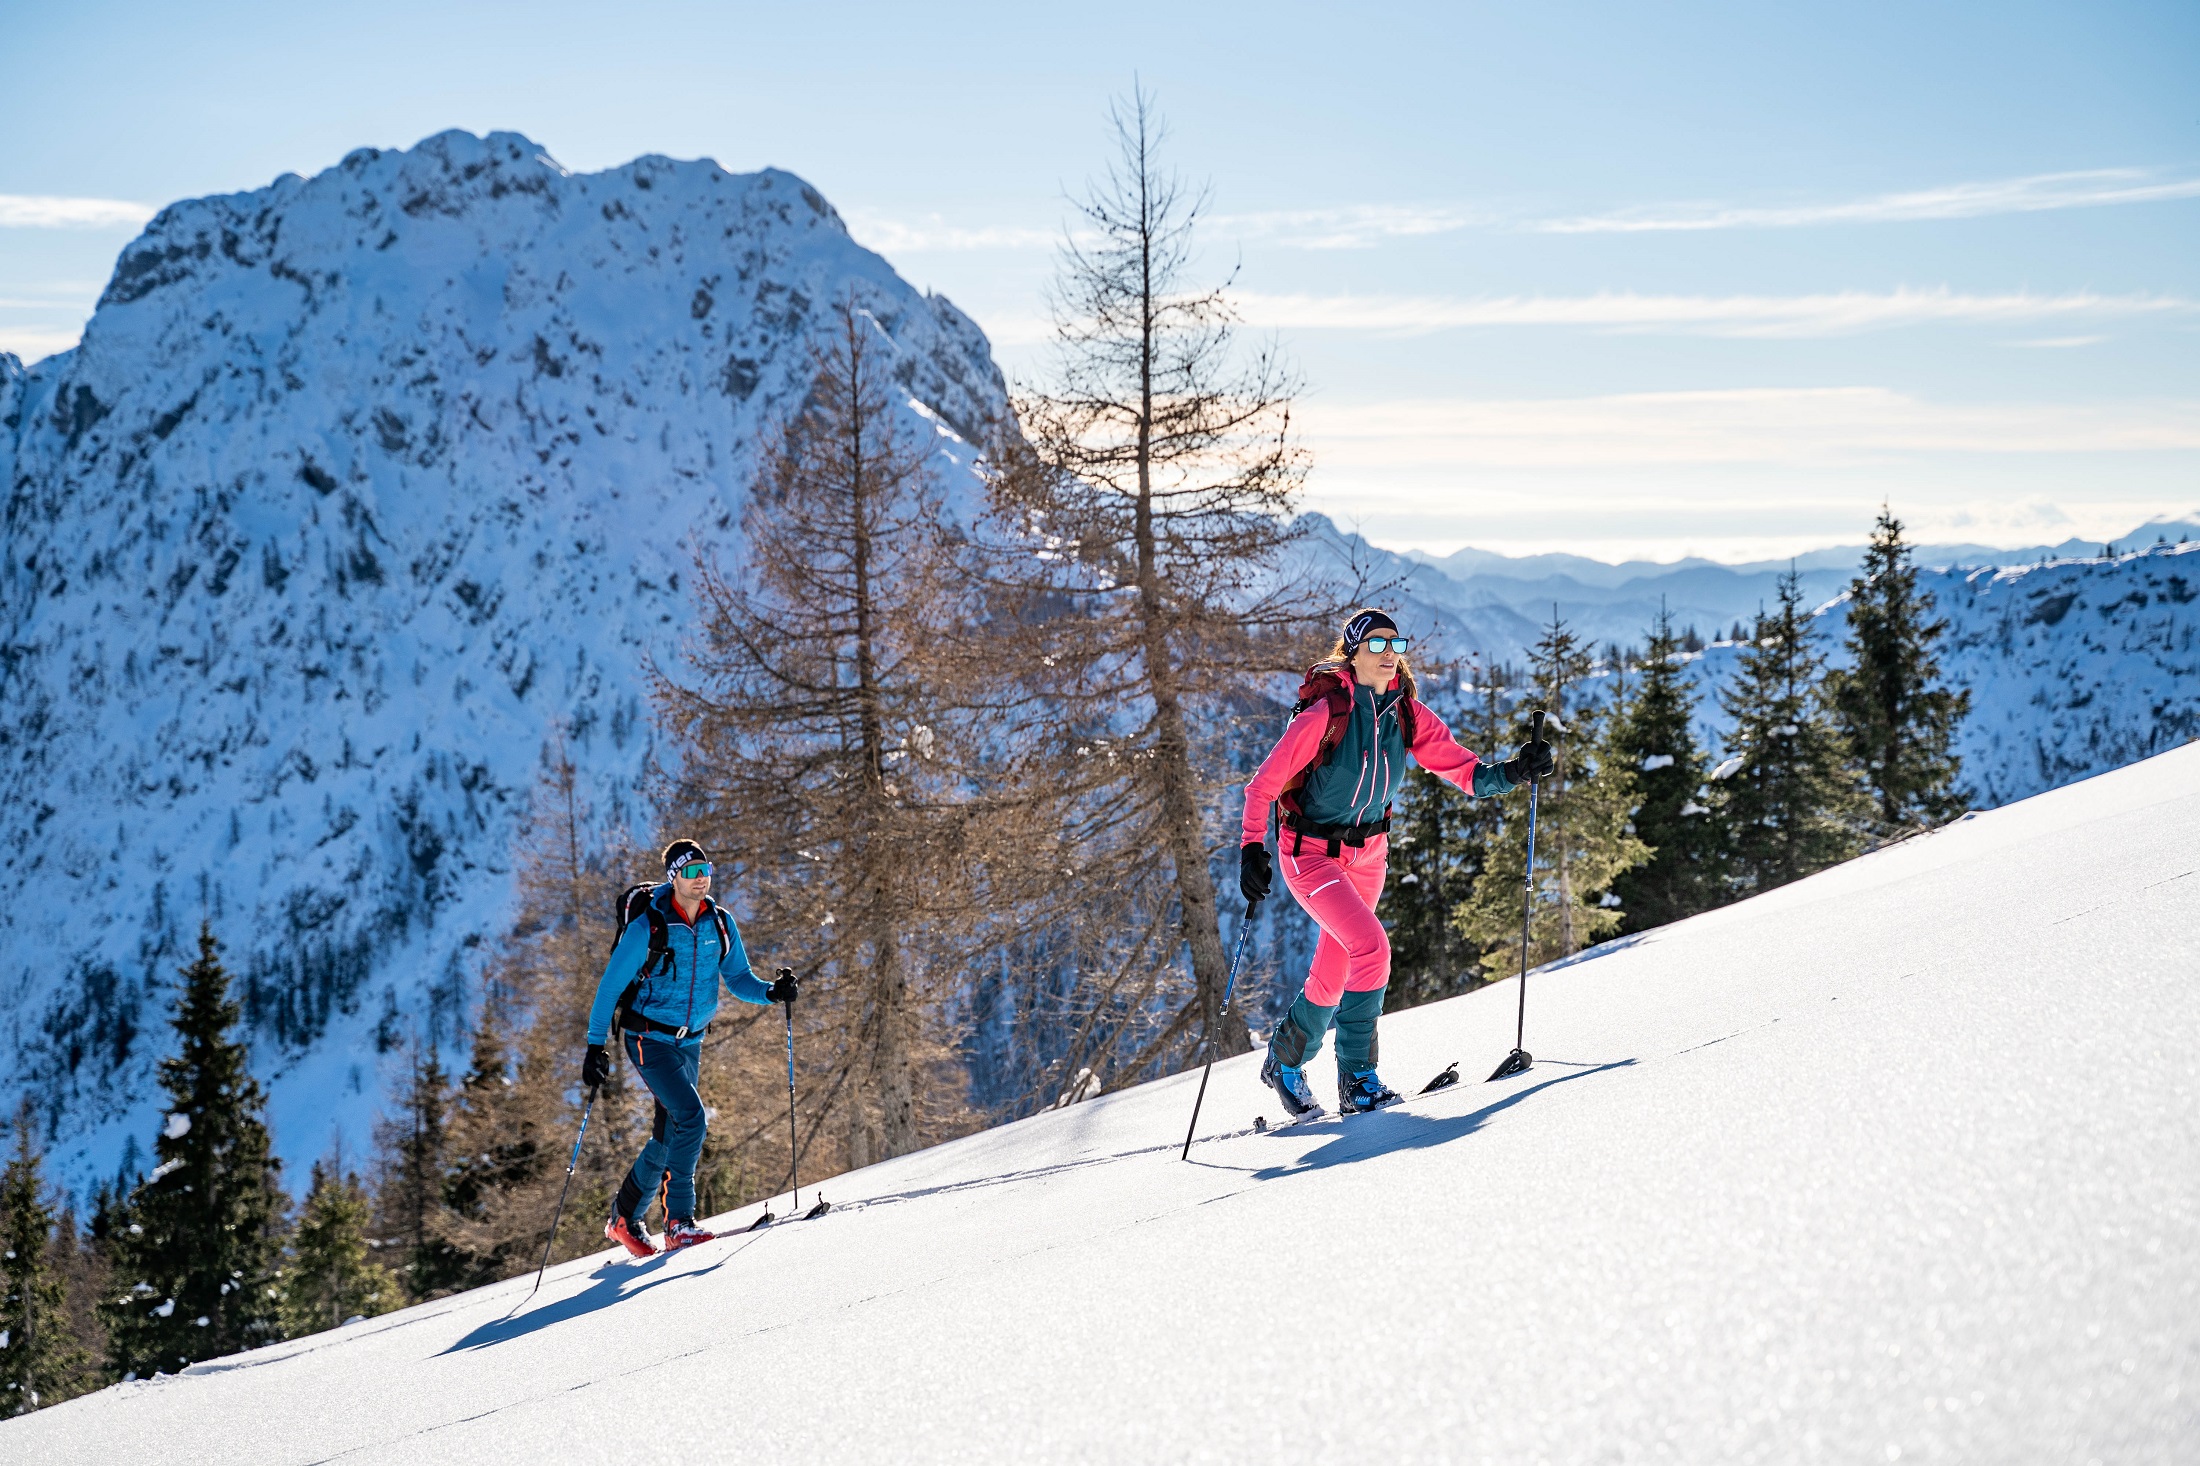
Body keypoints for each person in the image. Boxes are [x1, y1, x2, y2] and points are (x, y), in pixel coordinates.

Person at [1238, 609, 1553, 1117]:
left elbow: (1466, 772)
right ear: (1353, 653)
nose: (1390, 655)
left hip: (1370, 856)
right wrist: (1253, 847)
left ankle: (1284, 1059)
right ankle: (1357, 1078)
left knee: (1338, 964)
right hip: (1311, 854)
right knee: (1371, 947)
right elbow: (1262, 786)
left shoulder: (1406, 713)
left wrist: (1515, 771)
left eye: (1395, 644)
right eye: (1377, 645)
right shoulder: (1325, 712)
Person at [581, 839, 799, 1255]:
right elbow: (609, 988)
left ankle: (623, 1217)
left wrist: (772, 992)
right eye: (692, 873)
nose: (702, 880)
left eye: (707, 871)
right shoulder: (649, 926)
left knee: (670, 1135)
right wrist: (595, 1047)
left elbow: (738, 979)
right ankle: (679, 1221)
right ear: (674, 877)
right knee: (692, 1118)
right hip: (648, 1038)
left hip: (691, 1042)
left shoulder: (719, 923)